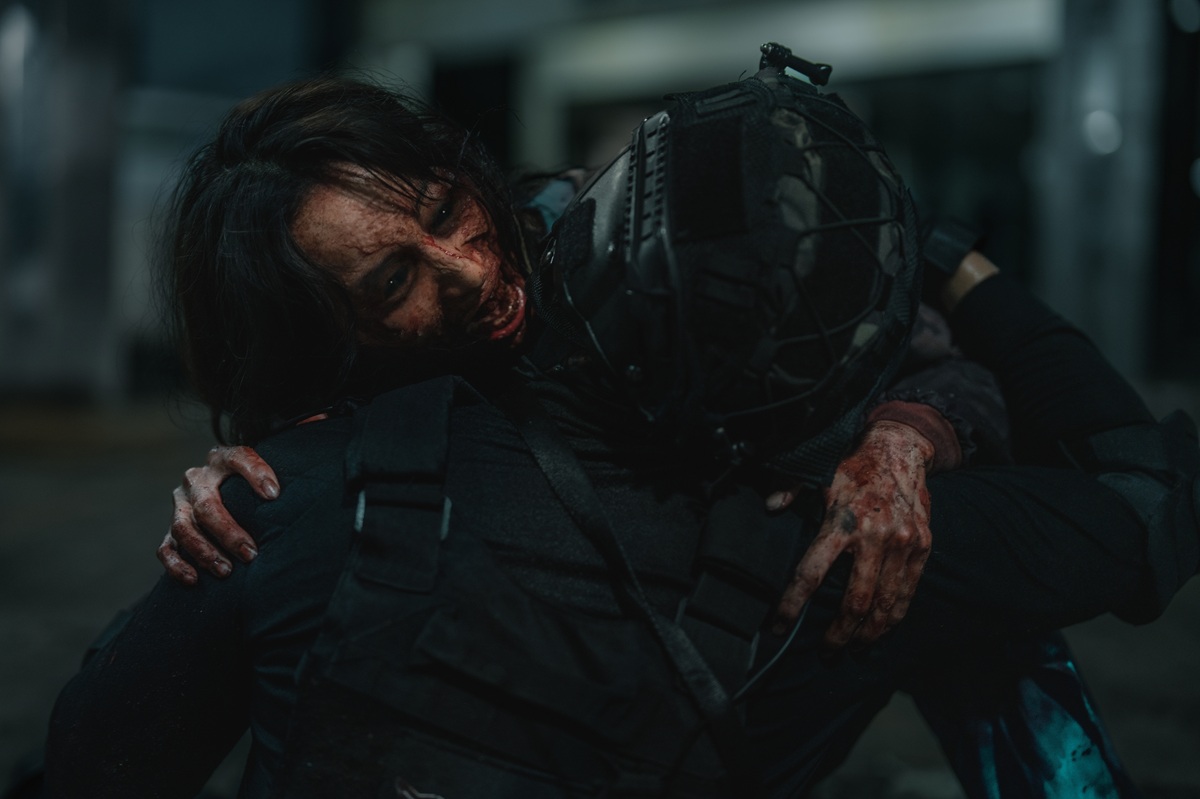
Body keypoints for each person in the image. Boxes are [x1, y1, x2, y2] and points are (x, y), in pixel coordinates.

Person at [43, 67, 1200, 799]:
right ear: (322, 347)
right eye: (397, 279)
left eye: (448, 211)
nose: (472, 270)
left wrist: (903, 433)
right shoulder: (305, 474)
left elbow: (928, 358)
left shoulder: (606, 247)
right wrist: (251, 480)